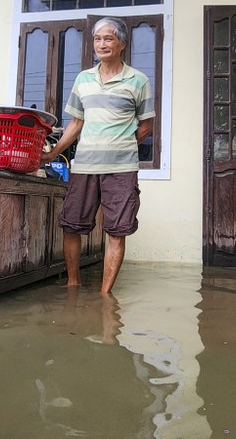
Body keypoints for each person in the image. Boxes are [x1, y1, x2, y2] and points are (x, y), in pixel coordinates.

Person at [40, 16, 155, 294]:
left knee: (117, 230)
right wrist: (53, 152)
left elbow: (146, 125)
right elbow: (76, 123)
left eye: (108, 38)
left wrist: (122, 144)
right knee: (71, 225)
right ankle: (73, 283)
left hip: (121, 169)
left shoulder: (138, 80)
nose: (101, 44)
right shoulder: (83, 79)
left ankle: (105, 295)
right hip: (85, 167)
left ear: (122, 44)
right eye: (97, 39)